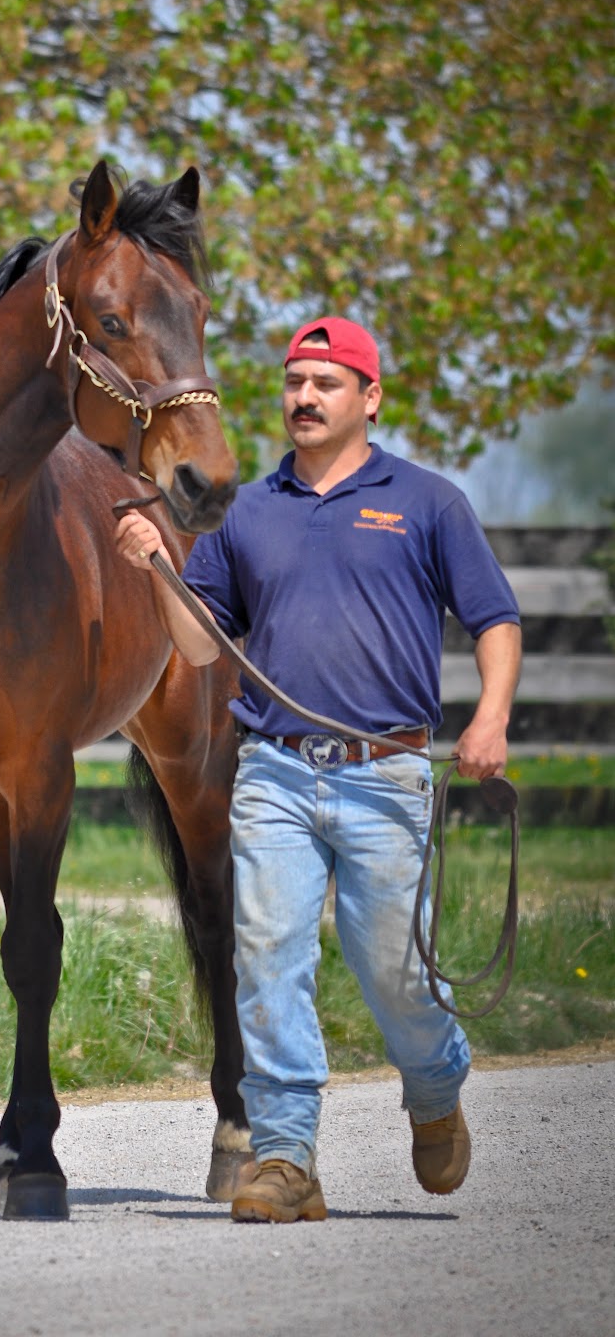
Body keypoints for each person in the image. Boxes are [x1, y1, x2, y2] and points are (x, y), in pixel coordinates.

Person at [115, 316, 522, 1224]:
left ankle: (435, 1083)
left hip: (387, 776)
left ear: (368, 398)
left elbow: (495, 618)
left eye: (325, 383)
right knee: (265, 958)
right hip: (273, 775)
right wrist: (157, 568)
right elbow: (197, 640)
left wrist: (489, 717)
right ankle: (284, 1158)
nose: (303, 397)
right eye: (294, 382)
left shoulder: (427, 502)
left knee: (396, 975)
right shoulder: (246, 511)